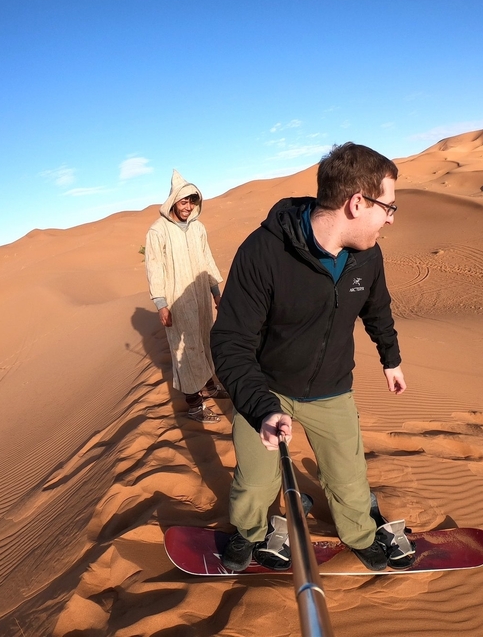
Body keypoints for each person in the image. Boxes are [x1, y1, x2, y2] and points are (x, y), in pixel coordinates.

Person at [210, 142, 407, 572]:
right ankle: (250, 533)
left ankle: (359, 533)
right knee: (255, 485)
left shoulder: (367, 255)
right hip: (266, 389)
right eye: (388, 207)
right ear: (357, 203)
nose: (390, 218)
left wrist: (390, 358)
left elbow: (377, 307)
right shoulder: (263, 252)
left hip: (331, 388)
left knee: (349, 480)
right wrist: (262, 408)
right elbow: (230, 341)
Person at [145, 169, 225, 424]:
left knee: (204, 340)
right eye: (184, 201)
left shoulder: (198, 228)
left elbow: (207, 260)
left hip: (201, 295)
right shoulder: (158, 231)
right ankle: (194, 405)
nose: (188, 206)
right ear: (173, 201)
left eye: (192, 201)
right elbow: (154, 267)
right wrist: (161, 304)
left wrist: (215, 292)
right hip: (177, 301)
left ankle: (210, 386)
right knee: (186, 349)